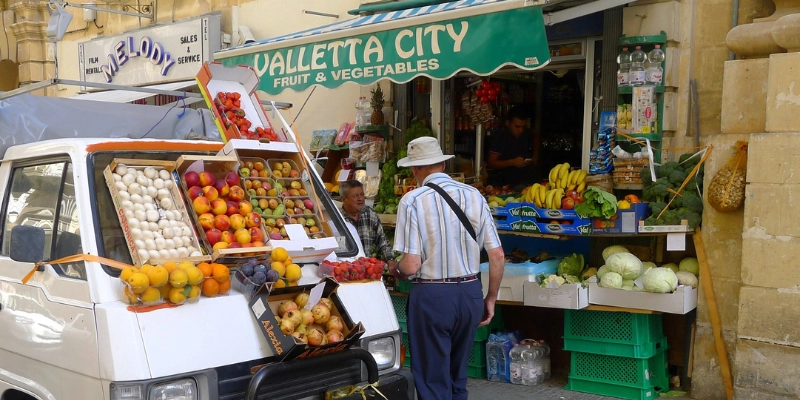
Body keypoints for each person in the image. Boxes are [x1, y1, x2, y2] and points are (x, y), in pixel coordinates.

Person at [390, 136, 505, 400]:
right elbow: (497, 254)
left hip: (432, 297)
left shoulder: (413, 200)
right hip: (470, 293)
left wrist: (396, 268)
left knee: (432, 380)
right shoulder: (475, 196)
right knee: (457, 378)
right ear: (442, 164)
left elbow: (411, 264)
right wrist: (491, 297)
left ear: (415, 169)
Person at [339, 180, 396, 265]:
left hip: (369, 269)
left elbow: (382, 242)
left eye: (362, 194)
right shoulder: (337, 219)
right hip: (346, 269)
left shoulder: (370, 215)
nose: (360, 199)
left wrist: (390, 261)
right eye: (355, 196)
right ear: (344, 199)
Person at [486, 106, 541, 188]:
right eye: (517, 127)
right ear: (508, 123)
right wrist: (512, 162)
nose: (521, 130)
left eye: (523, 127)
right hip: (510, 183)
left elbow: (536, 135)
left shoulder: (525, 132)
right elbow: (491, 162)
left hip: (530, 180)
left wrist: (535, 156)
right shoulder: (500, 138)